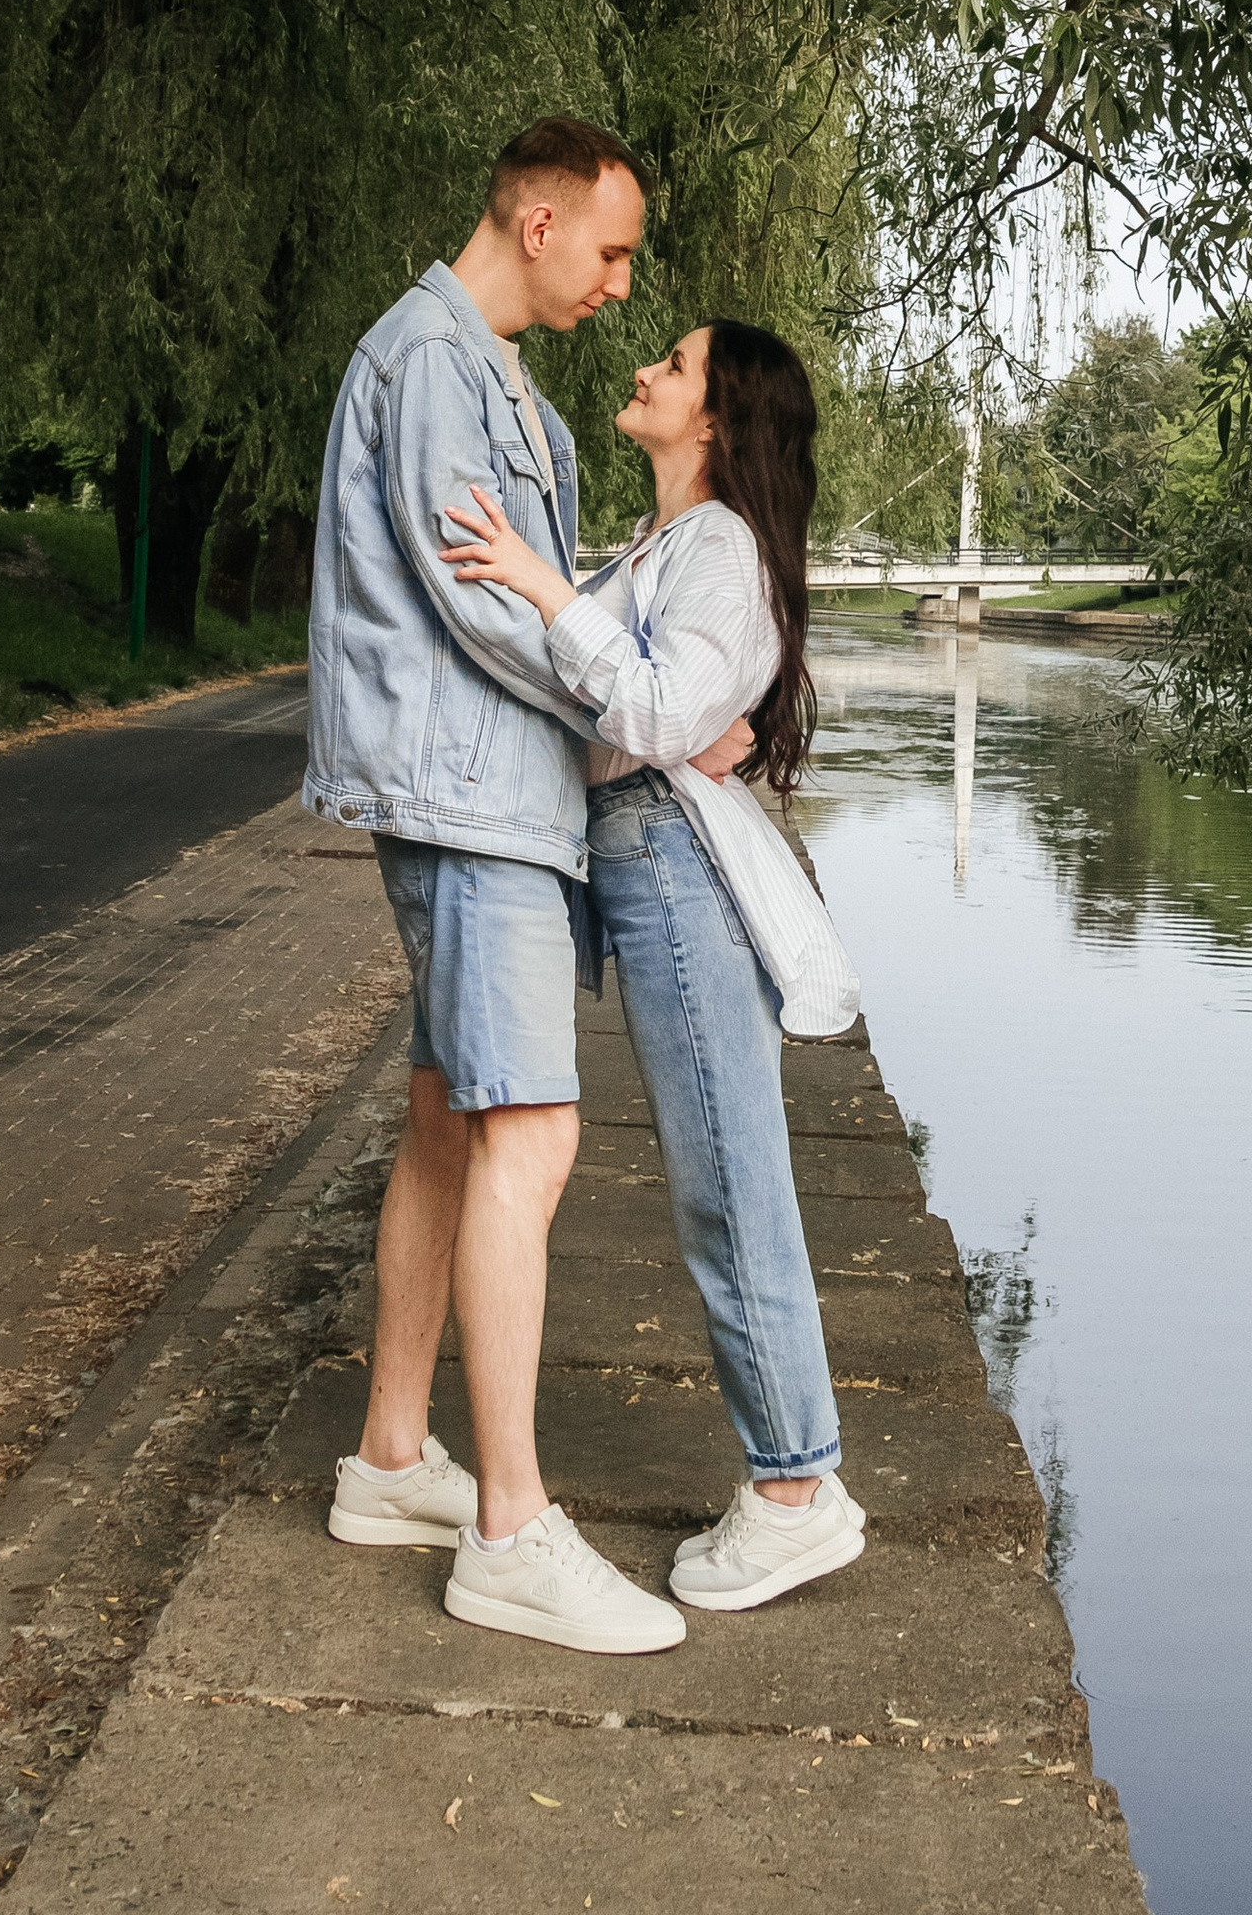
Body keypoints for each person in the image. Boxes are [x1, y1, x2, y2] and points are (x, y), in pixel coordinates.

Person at [300, 116, 758, 1661]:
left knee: (448, 1119)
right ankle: (509, 1528)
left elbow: (546, 597)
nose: (625, 287)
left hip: (502, 806)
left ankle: (387, 1463)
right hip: (473, 807)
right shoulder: (433, 362)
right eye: (616, 251)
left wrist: (659, 685)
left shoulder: (515, 399)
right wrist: (625, 686)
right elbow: (485, 608)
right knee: (534, 1131)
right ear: (544, 221)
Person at [437, 314, 867, 1612]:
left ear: (719, 420)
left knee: (730, 1186)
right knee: (721, 1183)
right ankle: (797, 1477)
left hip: (672, 865)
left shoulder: (720, 547)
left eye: (673, 366)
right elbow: (647, 703)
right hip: (644, 856)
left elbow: (658, 710)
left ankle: (796, 1488)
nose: (646, 371)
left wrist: (538, 582)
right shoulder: (678, 544)